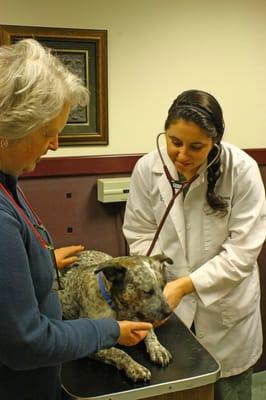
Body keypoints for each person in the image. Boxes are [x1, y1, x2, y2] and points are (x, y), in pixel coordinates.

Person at [0, 38, 152, 400]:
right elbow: (27, 343)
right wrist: (108, 330)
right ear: (9, 130)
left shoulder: (9, 180)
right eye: (48, 132)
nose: (55, 145)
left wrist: (39, 260)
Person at [123, 89, 266, 400]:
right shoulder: (147, 169)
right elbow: (139, 232)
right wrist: (158, 283)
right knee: (181, 387)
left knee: (231, 391)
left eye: (196, 146)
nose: (182, 155)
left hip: (227, 311)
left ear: (215, 143)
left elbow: (242, 252)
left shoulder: (241, 170)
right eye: (175, 142)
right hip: (168, 303)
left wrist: (187, 285)